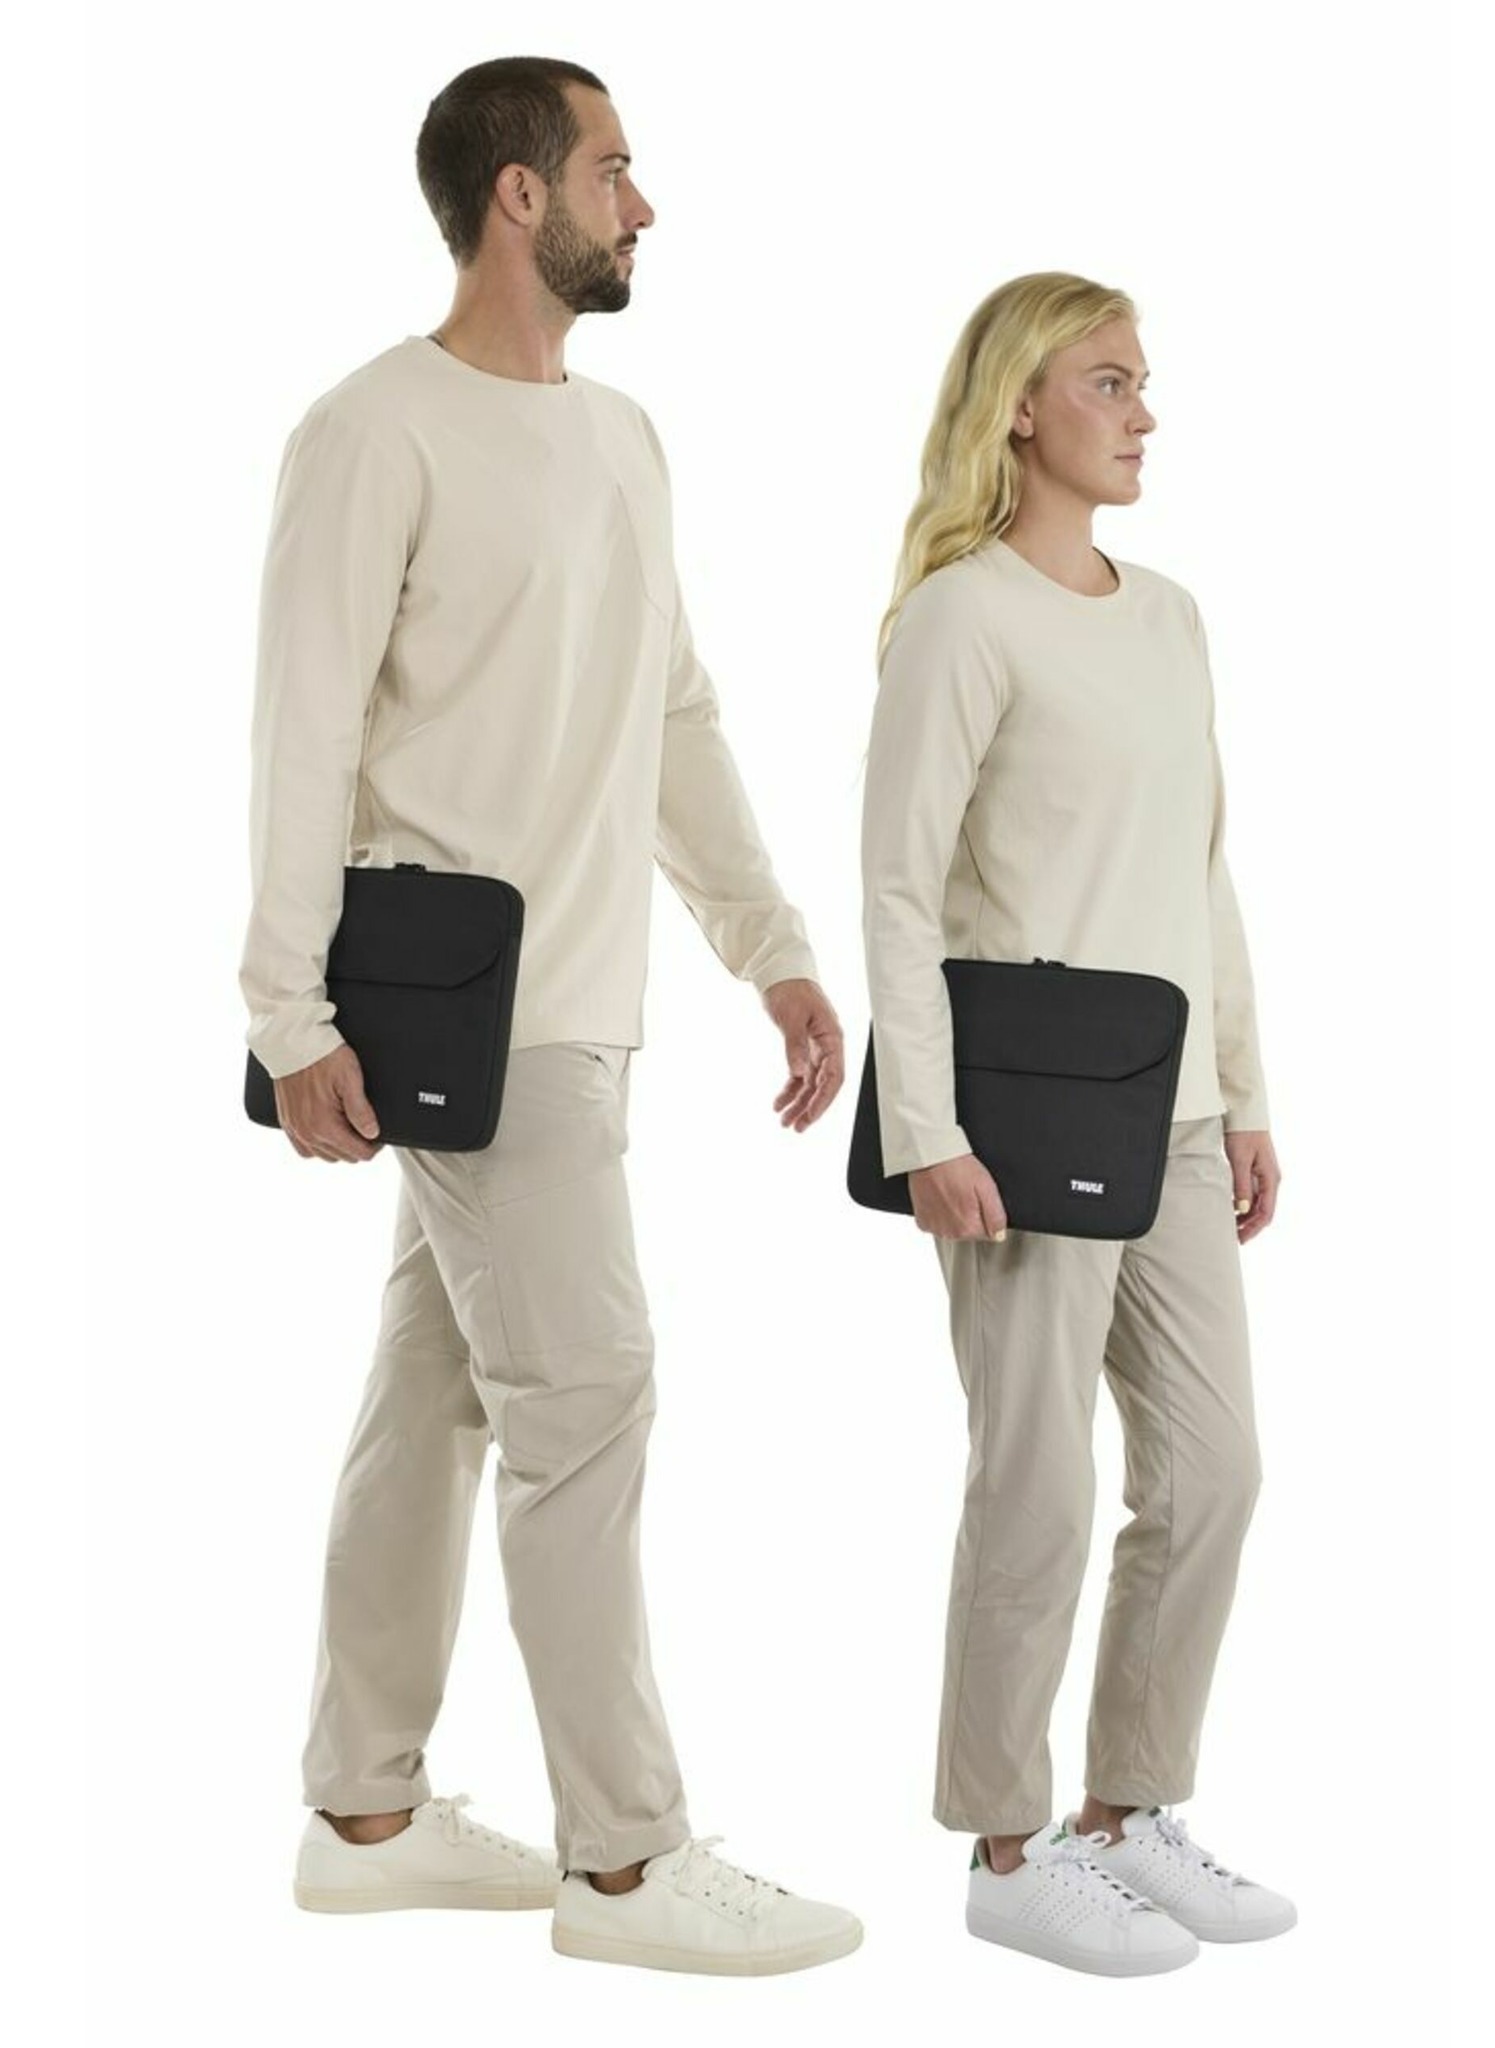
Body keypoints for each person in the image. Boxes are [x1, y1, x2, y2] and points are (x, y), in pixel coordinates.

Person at [237, 54, 860, 1977]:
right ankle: (625, 1862)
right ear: (520, 195)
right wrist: (285, 1016)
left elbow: (673, 712)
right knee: (586, 1398)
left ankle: (364, 1810)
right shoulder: (372, 430)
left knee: (435, 1395)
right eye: (613, 169)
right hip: (455, 1011)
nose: (641, 205)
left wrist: (769, 945)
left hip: (587, 1004)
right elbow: (302, 731)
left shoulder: (625, 443)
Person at [859, 271, 1297, 1976]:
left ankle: (1126, 1811)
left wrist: (1243, 1092)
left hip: (1174, 1109)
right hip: (1019, 1123)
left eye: (1142, 382)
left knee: (1216, 1468)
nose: (1143, 413)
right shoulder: (961, 619)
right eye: (1109, 381)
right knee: (1035, 1481)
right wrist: (927, 1128)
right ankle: (1004, 1845)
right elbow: (901, 888)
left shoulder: (1170, 617)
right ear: (1023, 404)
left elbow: (1204, 871)